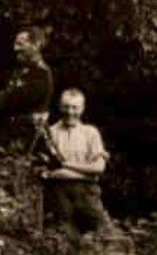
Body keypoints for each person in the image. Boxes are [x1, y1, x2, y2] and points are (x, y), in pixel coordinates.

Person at [39, 88, 109, 236]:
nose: (70, 112)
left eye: (75, 107)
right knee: (62, 239)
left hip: (88, 195)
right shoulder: (50, 133)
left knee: (101, 238)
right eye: (66, 106)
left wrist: (65, 166)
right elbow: (45, 171)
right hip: (60, 196)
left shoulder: (91, 133)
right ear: (59, 107)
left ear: (82, 109)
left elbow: (99, 168)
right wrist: (86, 173)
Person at [0, 26, 52, 146]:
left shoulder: (41, 74)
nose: (15, 48)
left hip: (27, 140)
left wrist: (6, 96)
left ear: (36, 45)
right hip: (9, 135)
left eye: (21, 44)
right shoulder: (17, 70)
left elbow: (10, 101)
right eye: (15, 44)